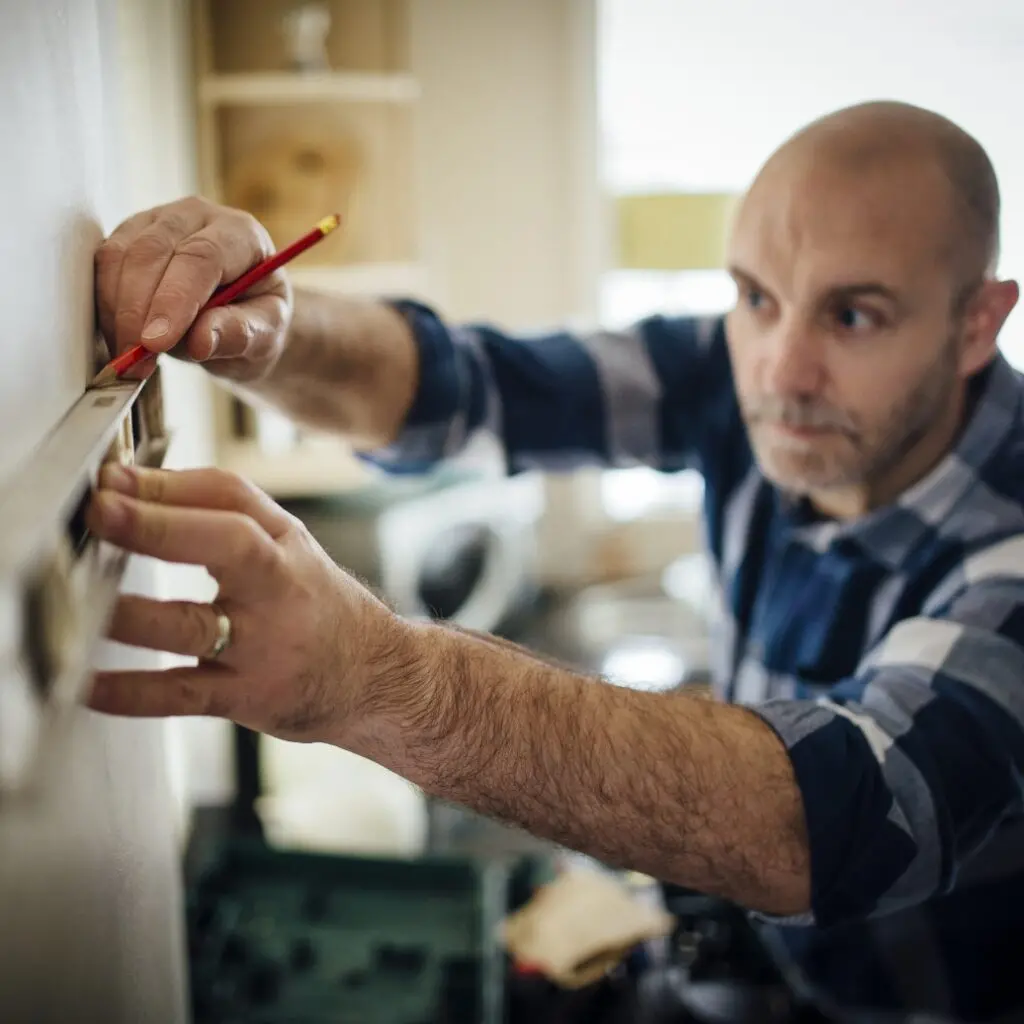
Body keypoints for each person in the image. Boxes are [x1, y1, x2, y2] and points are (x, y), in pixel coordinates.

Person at [87, 101, 1024, 1020]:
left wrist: (375, 674)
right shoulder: (745, 373)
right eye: (754, 295)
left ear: (978, 323)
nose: (780, 371)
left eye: (854, 317)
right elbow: (462, 385)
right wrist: (276, 328)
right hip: (765, 966)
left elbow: (844, 817)